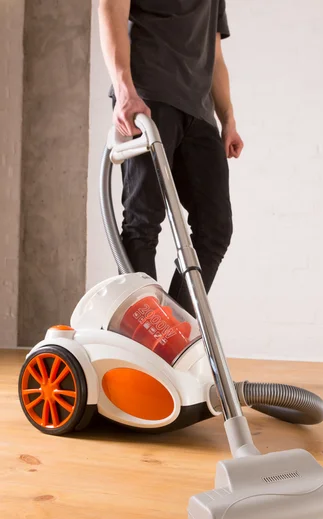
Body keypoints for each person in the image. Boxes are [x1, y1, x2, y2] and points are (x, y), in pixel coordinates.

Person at [98, 0, 244, 316]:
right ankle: (143, 334)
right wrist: (125, 92)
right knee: (143, 220)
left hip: (199, 111)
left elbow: (214, 54)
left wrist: (228, 118)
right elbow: (110, 9)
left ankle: (170, 332)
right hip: (147, 97)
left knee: (215, 229)